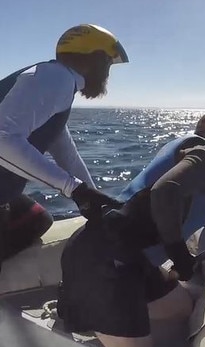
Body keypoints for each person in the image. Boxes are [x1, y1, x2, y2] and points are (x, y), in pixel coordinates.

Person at [58, 110, 205, 347]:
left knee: (182, 308)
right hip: (109, 268)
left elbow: (189, 212)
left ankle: (107, 320)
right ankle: (98, 317)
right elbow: (165, 192)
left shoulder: (185, 149)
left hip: (122, 257)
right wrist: (179, 254)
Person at [0, 24, 129, 270]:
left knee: (36, 220)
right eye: (108, 64)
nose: (107, 74)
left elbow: (65, 152)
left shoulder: (53, 80)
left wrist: (95, 199)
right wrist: (74, 189)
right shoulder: (56, 78)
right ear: (95, 60)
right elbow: (3, 139)